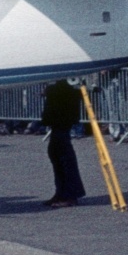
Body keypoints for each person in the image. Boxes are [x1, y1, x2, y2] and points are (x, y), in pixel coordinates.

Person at [41, 79, 86, 207]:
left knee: (63, 155)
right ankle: (61, 192)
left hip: (62, 118)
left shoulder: (65, 88)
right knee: (56, 153)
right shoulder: (57, 88)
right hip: (59, 119)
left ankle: (70, 194)